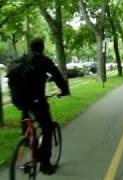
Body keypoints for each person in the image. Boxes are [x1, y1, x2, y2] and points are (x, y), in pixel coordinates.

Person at [21, 38, 70, 175]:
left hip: (20, 100)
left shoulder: (22, 60)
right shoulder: (43, 60)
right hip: (37, 100)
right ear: (42, 48)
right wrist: (64, 90)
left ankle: (26, 141)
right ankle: (45, 165)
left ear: (31, 48)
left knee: (27, 117)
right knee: (47, 128)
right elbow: (57, 76)